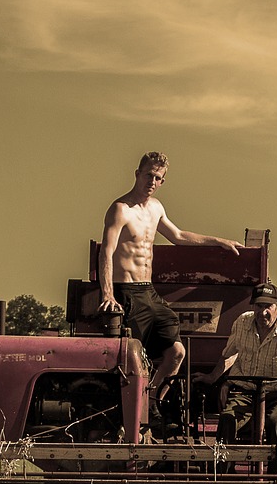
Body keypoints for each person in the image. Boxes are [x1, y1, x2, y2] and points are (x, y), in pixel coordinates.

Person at [98, 152, 241, 422]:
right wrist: (107, 294)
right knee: (132, 360)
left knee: (176, 352)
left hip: (148, 291)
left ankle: (151, 400)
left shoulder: (156, 208)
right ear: (137, 173)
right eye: (149, 175)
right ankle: (130, 415)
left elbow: (178, 236)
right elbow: (106, 252)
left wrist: (218, 240)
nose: (152, 181)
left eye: (158, 178)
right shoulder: (120, 209)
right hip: (125, 290)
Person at [195, 282, 277, 447]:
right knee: (227, 419)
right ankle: (224, 470)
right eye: (259, 306)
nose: (263, 312)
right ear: (253, 306)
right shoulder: (242, 323)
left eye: (268, 306)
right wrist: (212, 377)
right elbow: (229, 354)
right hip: (246, 392)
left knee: (275, 422)